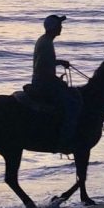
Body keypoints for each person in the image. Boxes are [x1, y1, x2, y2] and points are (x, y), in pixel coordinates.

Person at [32, 14, 80, 146]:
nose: (61, 27)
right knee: (72, 103)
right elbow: (43, 67)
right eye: (59, 25)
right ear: (53, 28)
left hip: (42, 80)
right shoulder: (46, 44)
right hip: (44, 83)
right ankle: (66, 138)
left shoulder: (44, 40)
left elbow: (46, 62)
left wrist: (59, 62)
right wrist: (56, 80)